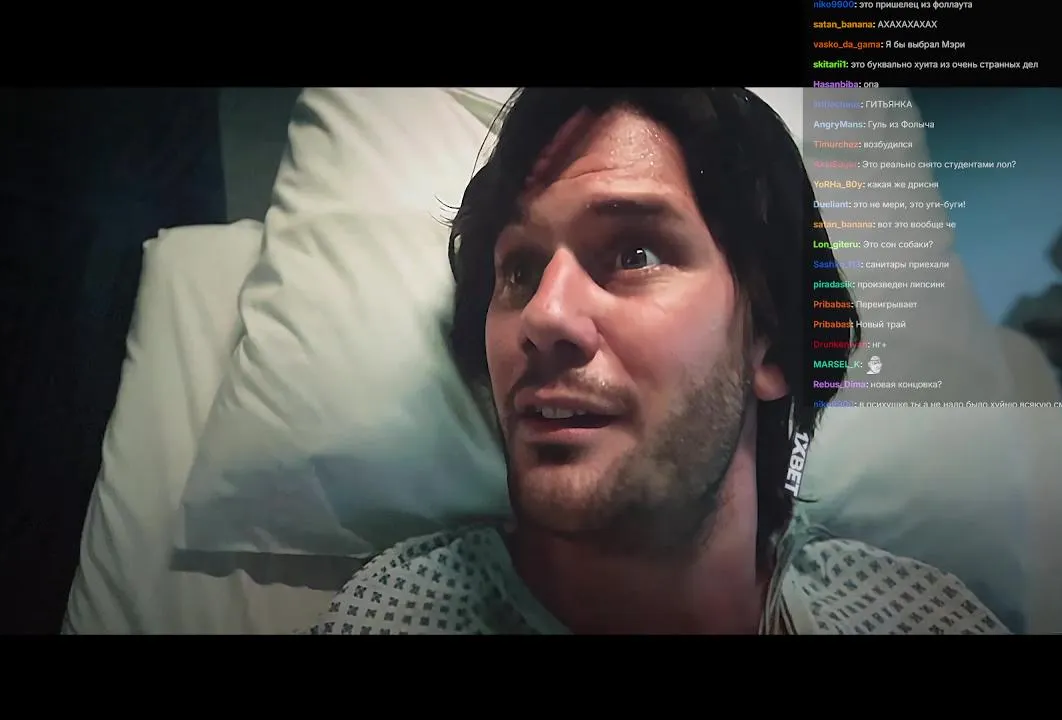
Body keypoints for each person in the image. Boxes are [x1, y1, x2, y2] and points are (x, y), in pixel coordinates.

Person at [310, 88, 1008, 635]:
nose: (544, 315)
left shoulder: (914, 614)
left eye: (634, 252)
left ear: (770, 340)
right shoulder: (397, 617)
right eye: (519, 270)